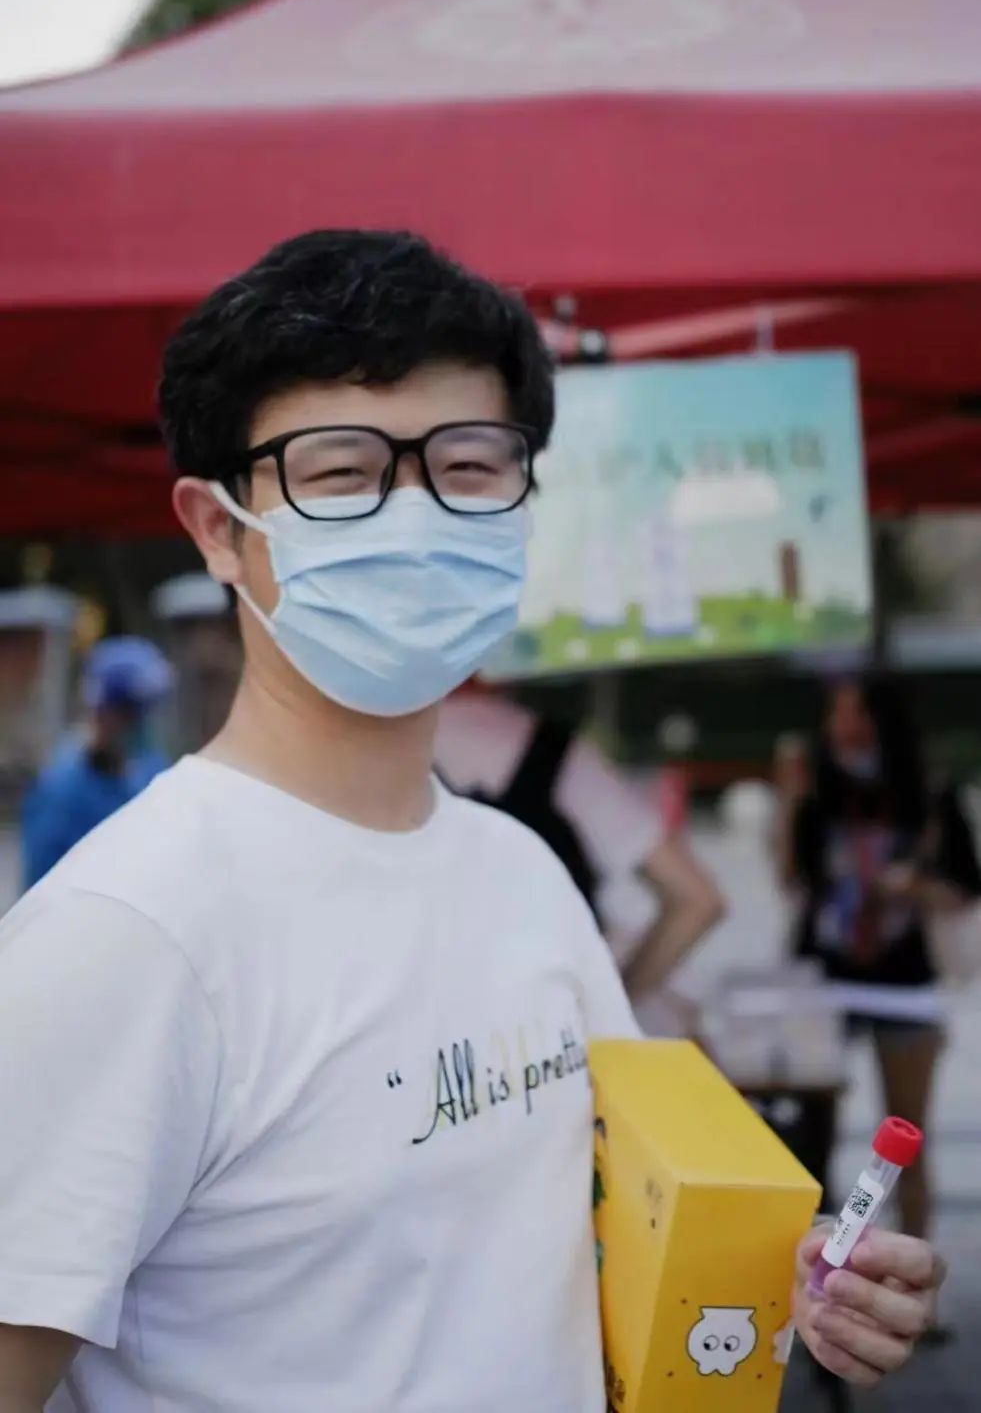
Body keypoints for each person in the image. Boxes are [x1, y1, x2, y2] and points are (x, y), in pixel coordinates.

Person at [0, 232, 943, 1412]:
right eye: (341, 471)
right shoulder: (123, 935)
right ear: (217, 526)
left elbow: (580, 1221)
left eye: (468, 462)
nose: (415, 516)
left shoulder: (522, 871)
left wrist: (787, 1280)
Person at [775, 675, 981, 1249]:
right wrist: (789, 802)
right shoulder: (818, 786)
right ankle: (821, 1255)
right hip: (826, 979)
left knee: (905, 1139)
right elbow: (793, 881)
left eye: (856, 713)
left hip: (904, 982)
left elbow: (965, 887)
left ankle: (911, 1263)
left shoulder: (928, 793)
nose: (842, 727)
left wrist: (912, 888)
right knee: (810, 1135)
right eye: (836, 713)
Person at [436, 685, 724, 1027]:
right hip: (552, 1027)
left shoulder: (385, 757)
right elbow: (698, 900)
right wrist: (612, 1007)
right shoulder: (552, 751)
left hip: (423, 1029)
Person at [20, 636, 173, 887]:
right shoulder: (61, 791)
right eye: (129, 712)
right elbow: (41, 888)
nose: (139, 724)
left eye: (145, 712)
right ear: (101, 711)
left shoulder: (151, 770)